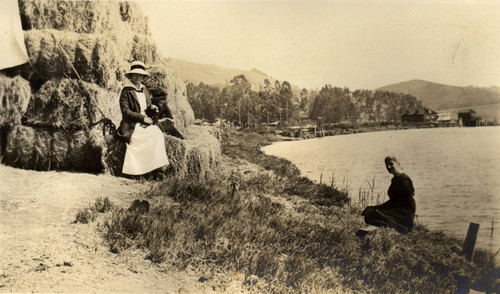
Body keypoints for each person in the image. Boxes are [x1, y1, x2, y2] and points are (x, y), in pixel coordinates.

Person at [117, 61, 169, 176]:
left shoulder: (144, 89)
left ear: (143, 77)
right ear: (131, 76)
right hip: (131, 124)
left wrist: (152, 108)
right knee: (144, 137)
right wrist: (142, 118)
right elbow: (125, 112)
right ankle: (137, 170)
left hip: (144, 121)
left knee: (157, 134)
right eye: (135, 74)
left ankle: (156, 168)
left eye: (140, 75)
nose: (138, 77)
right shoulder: (126, 91)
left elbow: (147, 106)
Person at [361, 156, 416, 233]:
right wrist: (376, 207)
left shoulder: (404, 179)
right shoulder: (395, 179)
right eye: (387, 165)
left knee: (373, 215)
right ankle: (389, 223)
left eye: (391, 164)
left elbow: (408, 200)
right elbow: (393, 201)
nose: (388, 167)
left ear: (398, 164)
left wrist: (381, 209)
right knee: (370, 212)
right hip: (397, 209)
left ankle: (401, 226)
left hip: (404, 212)